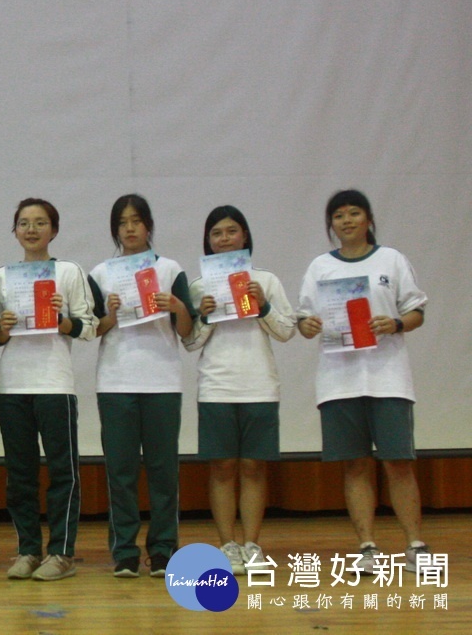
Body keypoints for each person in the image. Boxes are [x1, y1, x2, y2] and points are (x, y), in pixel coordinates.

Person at [296, 189, 430, 574]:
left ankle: (415, 545)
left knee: (398, 464)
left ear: (369, 219)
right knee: (354, 465)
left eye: (355, 213)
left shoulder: (391, 260)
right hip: (339, 380)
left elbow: (416, 311)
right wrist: (308, 324)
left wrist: (396, 323)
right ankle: (367, 547)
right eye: (339, 215)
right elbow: (305, 322)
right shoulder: (320, 266)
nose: (347, 220)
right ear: (331, 225)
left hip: (388, 378)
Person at [0, 198, 97, 582]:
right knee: (20, 474)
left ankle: (62, 553)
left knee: (63, 471)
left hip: (54, 384)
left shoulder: (68, 272)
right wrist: (2, 327)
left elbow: (89, 327)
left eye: (40, 222)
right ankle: (28, 550)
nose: (31, 229)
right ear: (15, 230)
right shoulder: (2, 276)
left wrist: (63, 320)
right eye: (23, 223)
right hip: (12, 385)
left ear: (54, 229)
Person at [183, 206, 294, 573]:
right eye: (217, 233)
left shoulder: (266, 280)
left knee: (252, 467)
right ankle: (227, 545)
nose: (225, 238)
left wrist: (262, 305)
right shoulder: (199, 286)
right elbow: (190, 343)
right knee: (223, 467)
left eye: (232, 231)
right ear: (208, 241)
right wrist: (204, 315)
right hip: (217, 385)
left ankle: (252, 545)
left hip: (260, 385)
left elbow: (286, 330)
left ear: (244, 236)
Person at [88, 194, 195, 578]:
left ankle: (164, 548)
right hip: (115, 380)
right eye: (122, 222)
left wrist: (178, 308)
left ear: (149, 226)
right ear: (115, 229)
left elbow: (187, 332)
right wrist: (111, 315)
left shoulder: (169, 269)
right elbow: (91, 330)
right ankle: (125, 552)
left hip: (162, 380)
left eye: (136, 221)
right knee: (121, 471)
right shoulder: (101, 273)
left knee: (164, 470)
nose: (130, 228)